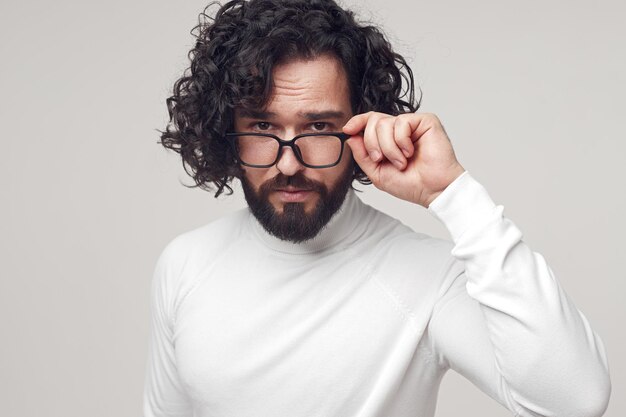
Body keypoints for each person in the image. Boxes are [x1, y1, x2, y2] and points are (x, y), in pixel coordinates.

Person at [144, 0, 611, 416]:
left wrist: (452, 193)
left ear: (361, 128)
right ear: (227, 130)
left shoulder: (430, 277)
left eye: (320, 126)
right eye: (263, 125)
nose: (289, 163)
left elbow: (574, 401)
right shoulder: (185, 264)